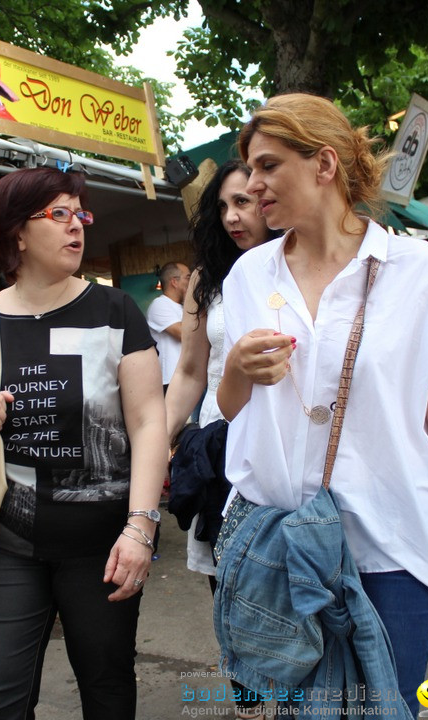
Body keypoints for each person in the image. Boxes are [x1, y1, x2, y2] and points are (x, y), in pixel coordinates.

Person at [216, 93, 428, 715]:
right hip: (279, 542)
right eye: (250, 170)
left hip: (392, 542)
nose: (253, 186)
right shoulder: (249, 276)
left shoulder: (413, 269)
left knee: (388, 708)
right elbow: (230, 409)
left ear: (325, 164)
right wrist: (236, 370)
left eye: (267, 166)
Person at [0, 167, 167, 719]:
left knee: (107, 691)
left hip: (103, 545)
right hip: (2, 541)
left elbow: (149, 422)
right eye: (58, 214)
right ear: (17, 231)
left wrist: (142, 526)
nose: (76, 227)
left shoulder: (114, 312)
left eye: (79, 214)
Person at [164, 160, 277, 720]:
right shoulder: (208, 279)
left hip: (285, 452)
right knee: (230, 592)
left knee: (291, 592)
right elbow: (189, 371)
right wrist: (156, 445)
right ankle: (249, 708)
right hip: (218, 454)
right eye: (224, 205)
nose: (234, 216)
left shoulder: (298, 270)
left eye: (246, 202)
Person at [146, 261, 190, 393]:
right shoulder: (159, 305)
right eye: (188, 277)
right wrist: (191, 300)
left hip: (188, 378)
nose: (191, 282)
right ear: (174, 282)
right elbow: (185, 334)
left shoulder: (183, 307)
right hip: (171, 380)